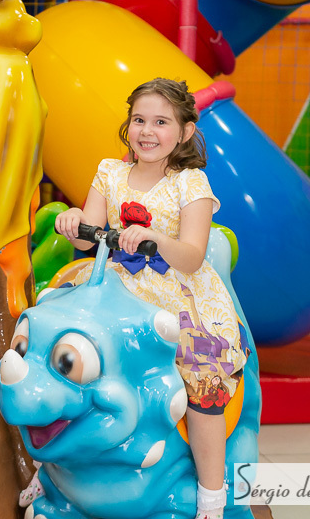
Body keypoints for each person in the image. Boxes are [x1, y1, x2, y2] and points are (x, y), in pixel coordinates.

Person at [52, 78, 248, 519]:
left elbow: (194, 256)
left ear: (182, 132)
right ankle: (49, 468)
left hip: (177, 294)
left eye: (161, 122)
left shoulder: (190, 183)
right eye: (139, 119)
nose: (147, 131)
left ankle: (211, 494)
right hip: (117, 287)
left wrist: (155, 239)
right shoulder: (110, 172)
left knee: (202, 381)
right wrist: (73, 219)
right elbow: (88, 237)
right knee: (58, 345)